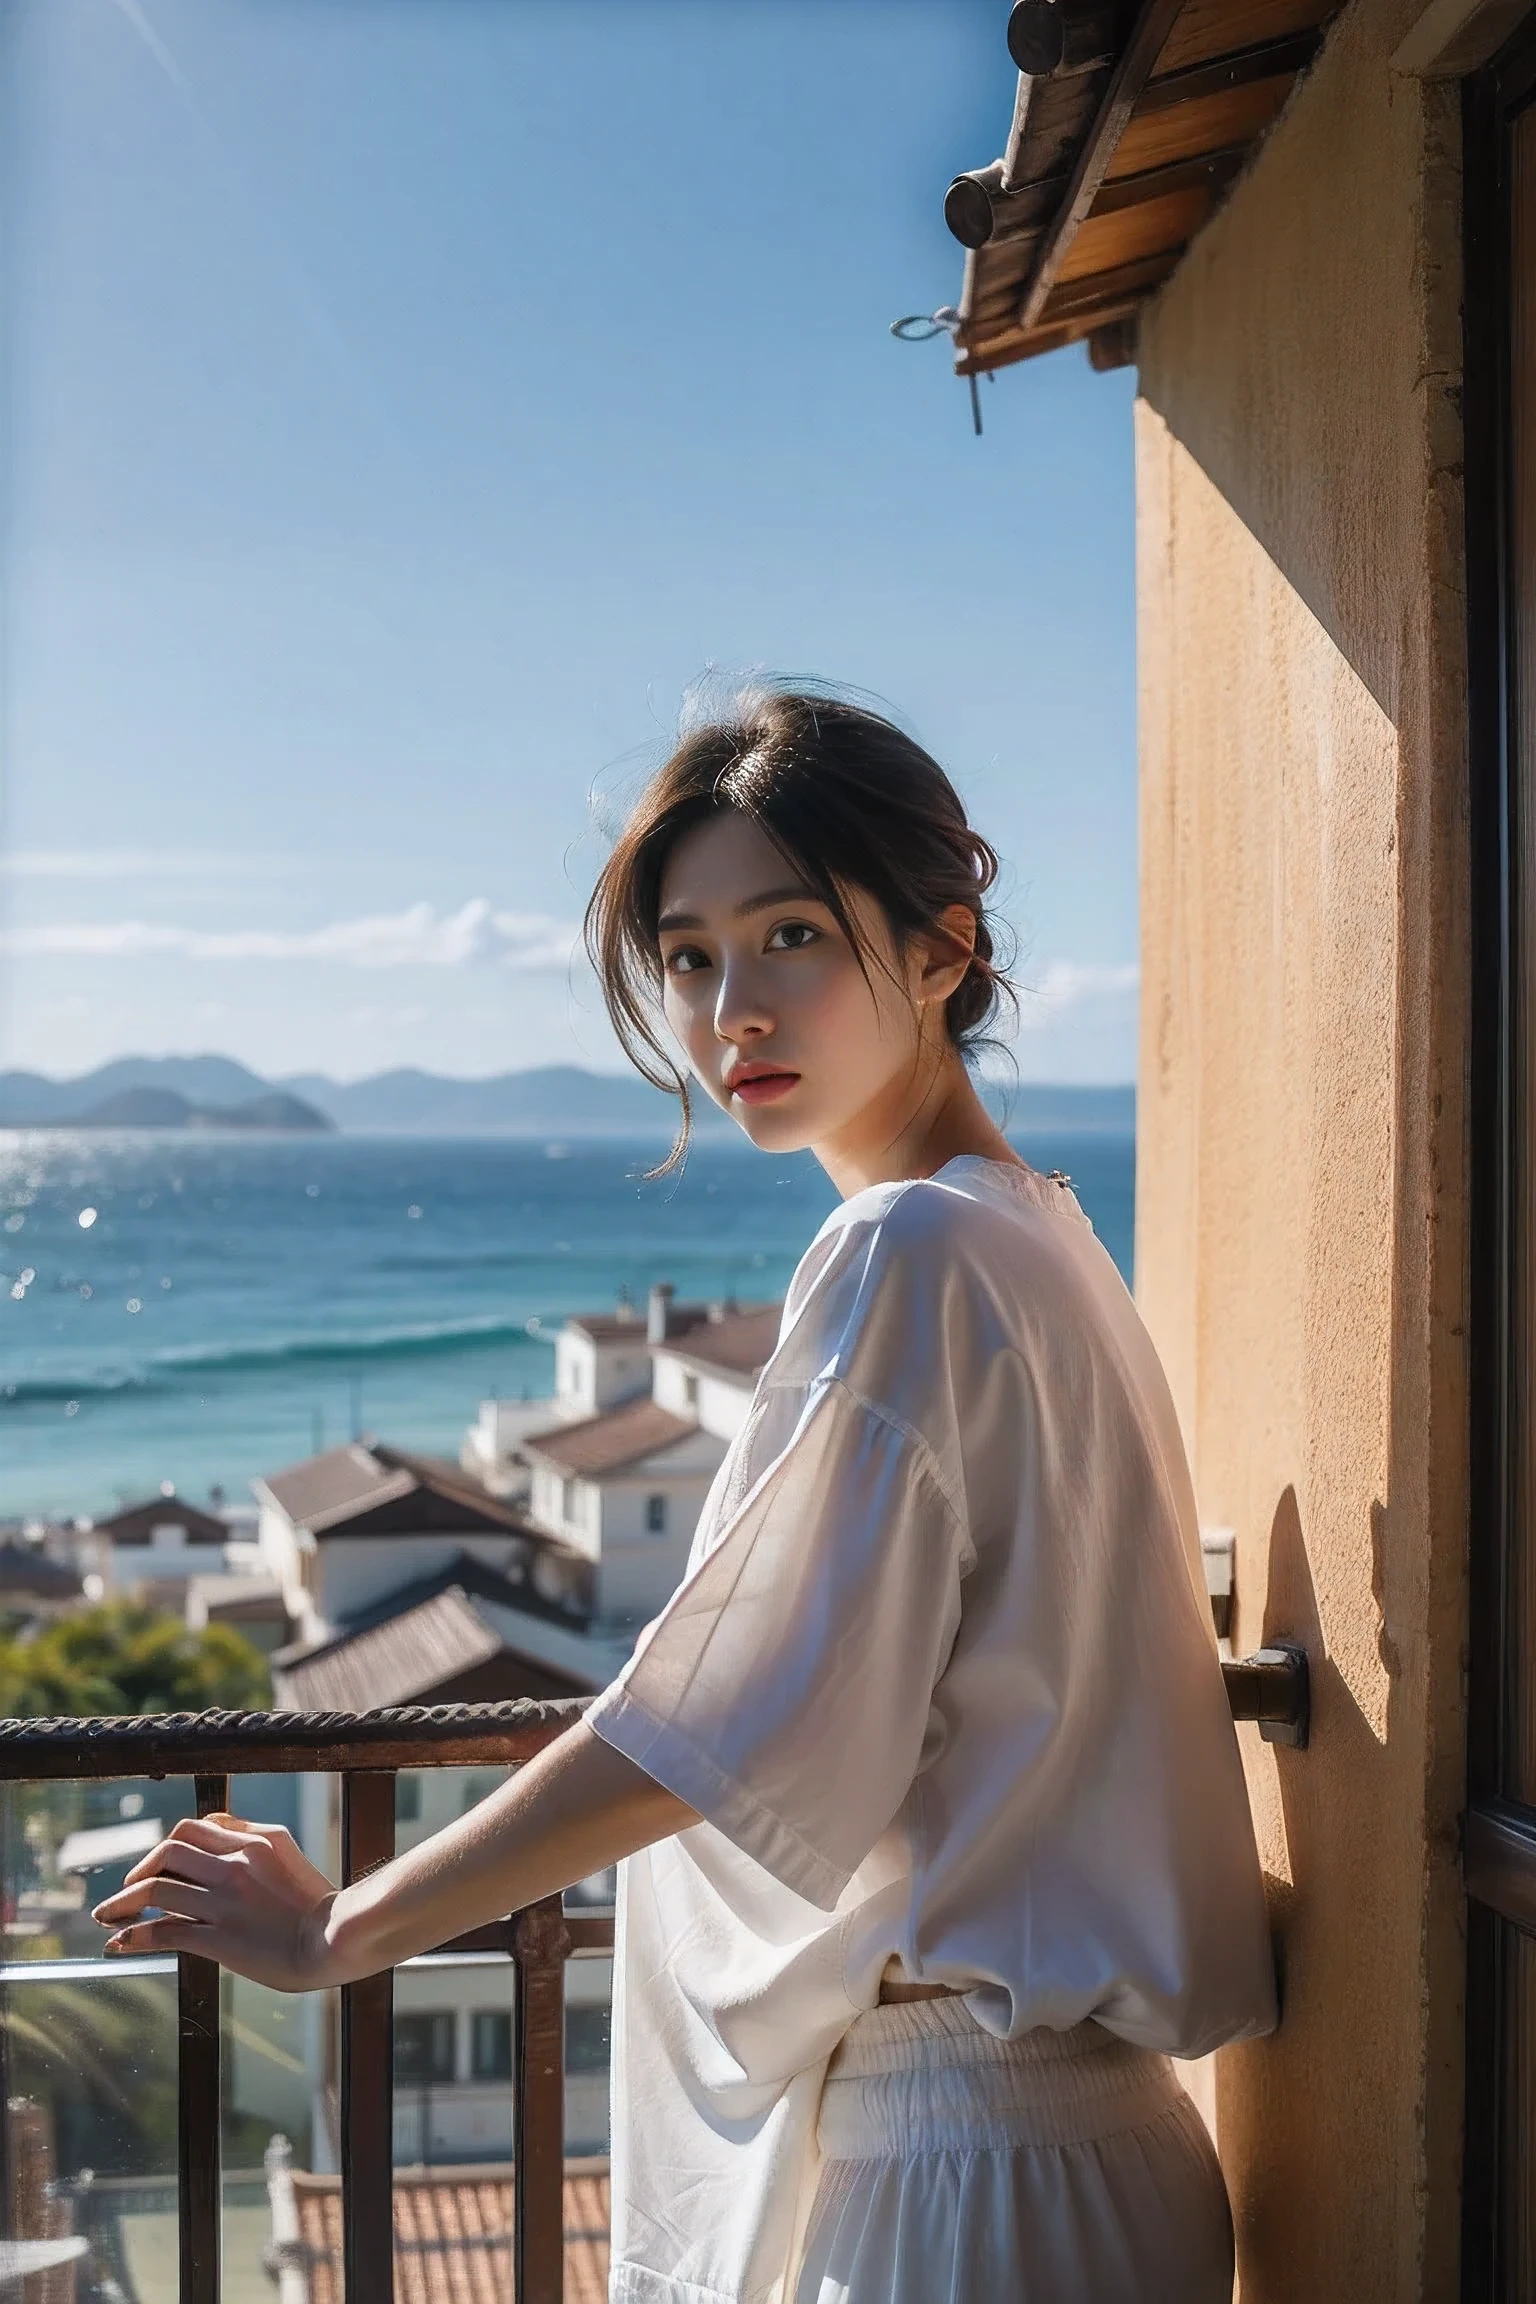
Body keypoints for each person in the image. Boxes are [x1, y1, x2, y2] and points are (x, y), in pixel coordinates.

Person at [95, 686, 1277, 2302]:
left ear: (944, 949)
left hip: (972, 2172)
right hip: (1078, 2155)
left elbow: (707, 1727)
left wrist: (338, 1932)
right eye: (694, 954)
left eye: (791, 934)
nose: (734, 1009)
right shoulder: (1040, 1229)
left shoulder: (912, 1248)